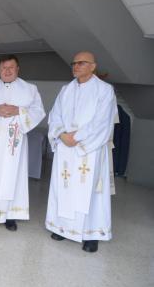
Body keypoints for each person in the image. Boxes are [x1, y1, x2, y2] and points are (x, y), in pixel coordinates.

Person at [46, 51, 117, 253]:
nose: (76, 66)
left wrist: (76, 137)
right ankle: (62, 227)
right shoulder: (65, 90)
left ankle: (90, 234)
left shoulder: (104, 90)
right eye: (74, 63)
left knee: (90, 191)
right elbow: (55, 115)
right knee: (64, 187)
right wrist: (61, 134)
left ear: (93, 66)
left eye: (82, 63)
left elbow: (102, 122)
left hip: (89, 150)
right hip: (66, 149)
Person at [0, 54, 45, 231]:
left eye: (11, 67)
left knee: (12, 177)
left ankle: (10, 216)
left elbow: (38, 111)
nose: (7, 71)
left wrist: (18, 110)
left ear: (17, 69)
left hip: (15, 144)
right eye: (3, 68)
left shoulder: (30, 89)